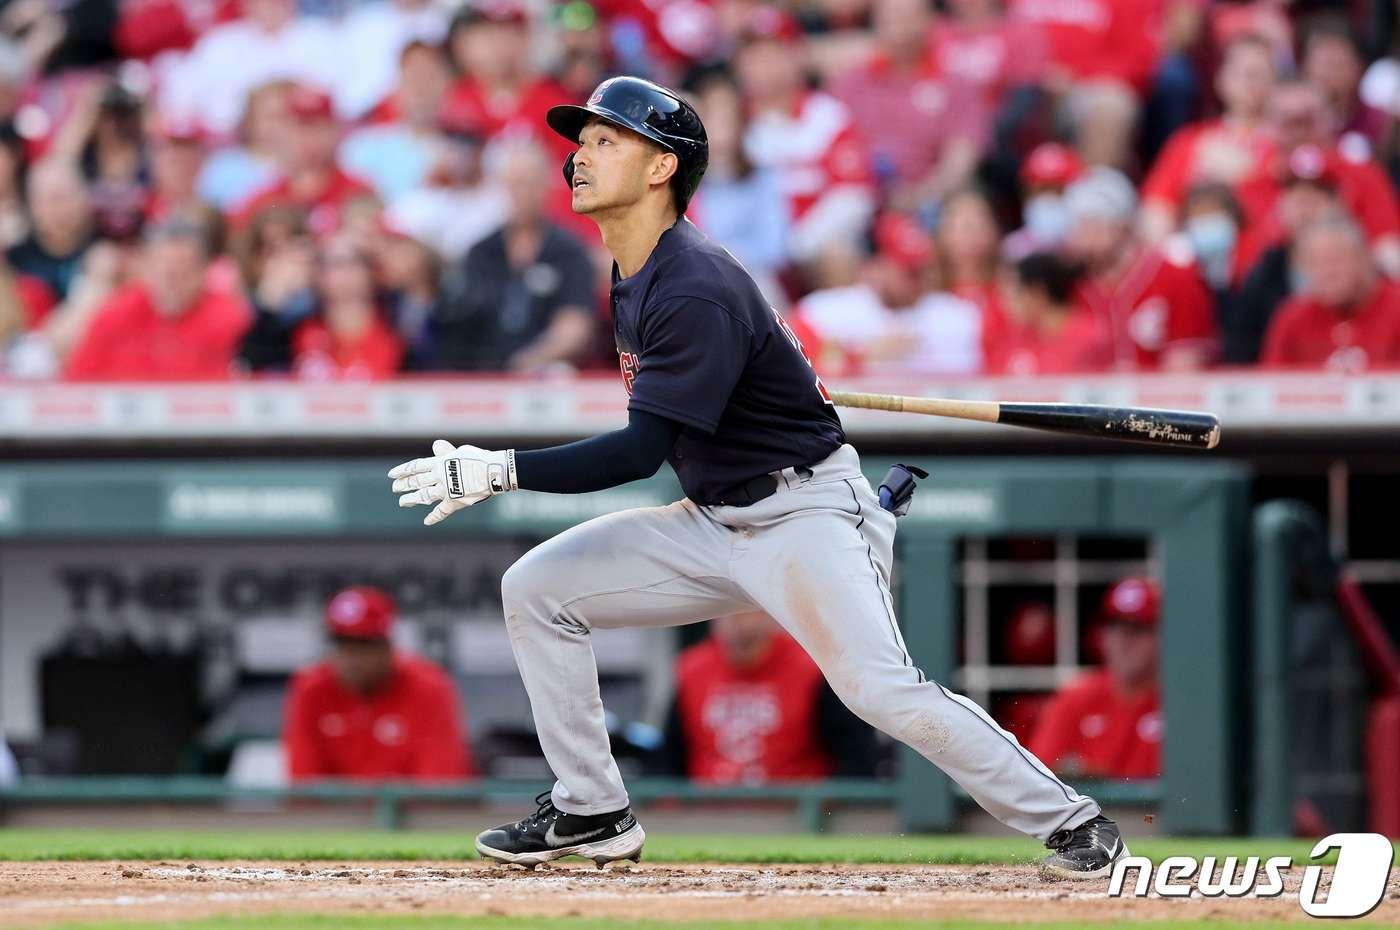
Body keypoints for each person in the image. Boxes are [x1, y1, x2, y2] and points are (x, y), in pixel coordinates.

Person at [388, 75, 1125, 877]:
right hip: (713, 519)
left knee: (881, 692)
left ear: (662, 167)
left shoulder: (694, 281)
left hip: (804, 514)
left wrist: (499, 469)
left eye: (606, 142)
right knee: (537, 588)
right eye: (582, 143)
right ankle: (591, 809)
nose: (580, 158)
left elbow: (638, 454)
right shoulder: (635, 268)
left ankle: (1075, 824)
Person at [655, 610, 877, 782]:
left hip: (793, 813)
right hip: (711, 812)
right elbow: (669, 757)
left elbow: (855, 755)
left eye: (747, 613)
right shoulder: (692, 670)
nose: (738, 626)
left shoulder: (812, 668)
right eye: (727, 615)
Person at [434, 139, 596, 372]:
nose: (520, 194)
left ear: (544, 186)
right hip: (483, 374)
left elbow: (575, 324)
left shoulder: (568, 250)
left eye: (528, 184)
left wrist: (530, 361)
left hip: (546, 375)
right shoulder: (481, 252)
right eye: (512, 185)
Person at [283, 585, 474, 781]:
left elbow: (441, 788)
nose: (351, 657)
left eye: (363, 644)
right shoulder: (310, 688)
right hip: (334, 813)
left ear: (386, 646)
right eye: (342, 643)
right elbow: (303, 787)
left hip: (410, 812)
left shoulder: (429, 687)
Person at [1064, 167, 1216, 370]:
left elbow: (1185, 367)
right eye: (1078, 226)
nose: (1083, 237)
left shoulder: (1175, 276)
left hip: (1158, 399)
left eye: (1093, 224)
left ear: (1123, 224)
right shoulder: (1068, 284)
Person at [65, 217, 250, 380]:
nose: (172, 280)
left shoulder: (230, 319)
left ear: (203, 271)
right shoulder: (115, 315)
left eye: (184, 270)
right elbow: (78, 383)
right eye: (163, 269)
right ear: (146, 268)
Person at [1029, 577, 1163, 780]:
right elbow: (1037, 774)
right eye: (1116, 628)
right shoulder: (1076, 698)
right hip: (1091, 811)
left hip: (1158, 813)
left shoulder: (1176, 701)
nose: (1124, 641)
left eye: (1138, 629)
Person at [1259, 214, 1400, 370]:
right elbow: (1271, 383)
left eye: (1335, 260)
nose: (1327, 273)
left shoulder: (1395, 307)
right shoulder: (1293, 317)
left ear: (1364, 258)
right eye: (1315, 264)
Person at [986, 251, 1112, 375]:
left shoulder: (1091, 338)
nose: (1006, 304)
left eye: (1012, 295)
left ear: (1037, 292)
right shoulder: (1015, 339)